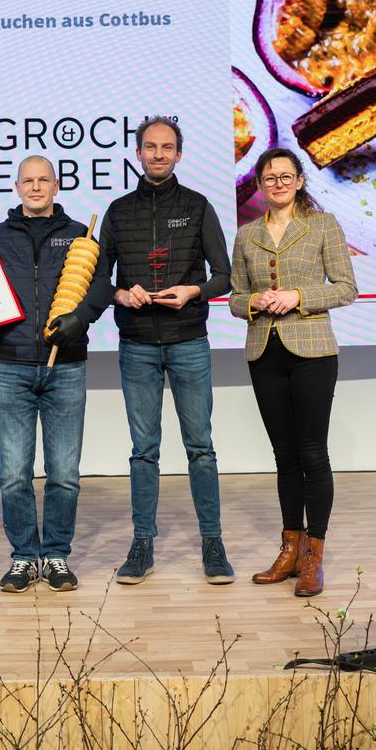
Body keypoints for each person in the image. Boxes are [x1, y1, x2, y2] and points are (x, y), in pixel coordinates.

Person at [0, 156, 112, 593]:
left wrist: (82, 317)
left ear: (56, 186)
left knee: (64, 474)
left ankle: (56, 554)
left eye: (43, 180)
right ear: (17, 187)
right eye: (28, 181)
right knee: (14, 474)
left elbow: (101, 284)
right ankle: (23, 556)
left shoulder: (80, 234)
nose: (36, 187)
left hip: (67, 365)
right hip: (9, 366)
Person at [98, 115, 234, 584]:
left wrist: (193, 291)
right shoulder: (118, 211)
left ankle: (213, 543)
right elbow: (98, 280)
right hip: (136, 343)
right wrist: (121, 294)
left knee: (201, 447)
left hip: (188, 341)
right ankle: (142, 544)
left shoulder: (198, 206)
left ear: (179, 154)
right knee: (144, 450)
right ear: (138, 153)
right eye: (151, 147)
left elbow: (224, 276)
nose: (159, 154)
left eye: (167, 147)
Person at [228, 148, 356, 597]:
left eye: (286, 176)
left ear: (300, 181)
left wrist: (298, 296)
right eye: (270, 178)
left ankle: (313, 555)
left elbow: (347, 288)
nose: (278, 184)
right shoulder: (247, 234)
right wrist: (254, 302)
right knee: (284, 456)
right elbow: (235, 298)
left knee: (312, 453)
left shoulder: (323, 225)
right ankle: (289, 548)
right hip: (265, 351)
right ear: (260, 185)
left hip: (313, 352)